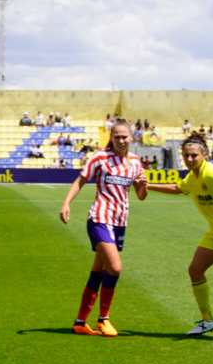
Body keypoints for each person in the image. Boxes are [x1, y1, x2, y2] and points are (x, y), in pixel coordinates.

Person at [145, 132, 213, 344]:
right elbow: (178, 188)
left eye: (194, 155)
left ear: (204, 155)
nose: (189, 159)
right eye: (186, 155)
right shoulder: (193, 176)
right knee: (195, 270)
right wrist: (147, 185)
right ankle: (207, 321)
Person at [59, 119, 148, 337]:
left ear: (131, 137)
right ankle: (103, 319)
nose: (121, 140)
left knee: (98, 272)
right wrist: (66, 203)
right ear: (111, 137)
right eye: (117, 137)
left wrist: (143, 186)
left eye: (124, 136)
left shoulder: (136, 162)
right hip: (99, 218)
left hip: (119, 222)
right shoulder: (100, 157)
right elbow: (80, 180)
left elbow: (141, 196)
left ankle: (80, 323)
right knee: (115, 268)